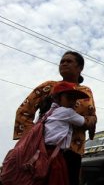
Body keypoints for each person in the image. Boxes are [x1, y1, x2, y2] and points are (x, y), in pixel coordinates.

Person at [13, 51, 97, 185]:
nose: (64, 63)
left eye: (69, 61)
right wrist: (33, 137)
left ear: (80, 68)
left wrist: (91, 121)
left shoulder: (86, 91)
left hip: (73, 150)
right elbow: (24, 110)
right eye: (62, 61)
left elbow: (91, 115)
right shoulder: (49, 86)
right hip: (44, 149)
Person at [44, 81, 90, 185]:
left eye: (75, 99)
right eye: (69, 97)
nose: (73, 102)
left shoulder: (47, 113)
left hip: (43, 154)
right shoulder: (67, 112)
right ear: (57, 98)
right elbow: (84, 122)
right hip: (56, 156)